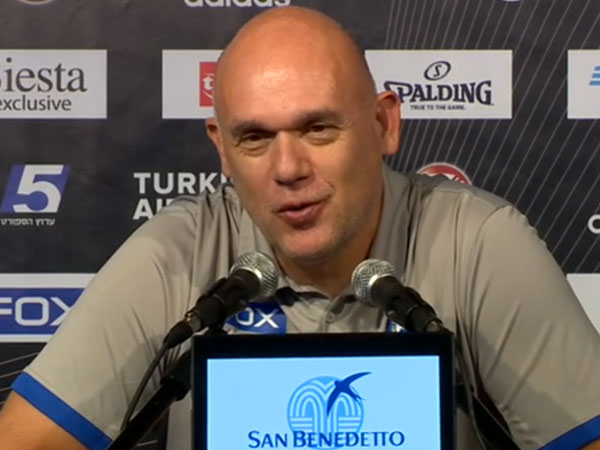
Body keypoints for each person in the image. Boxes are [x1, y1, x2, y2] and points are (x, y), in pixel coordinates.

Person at [1, 6, 599, 450]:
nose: (288, 169)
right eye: (255, 138)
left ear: (384, 125)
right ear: (222, 150)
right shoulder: (177, 252)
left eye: (318, 129)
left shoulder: (479, 241)